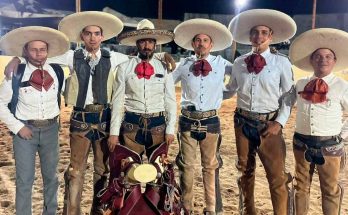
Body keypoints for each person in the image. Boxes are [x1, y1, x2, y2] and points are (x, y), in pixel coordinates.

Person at [3, 11, 176, 215]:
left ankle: (98, 211)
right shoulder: (71, 56)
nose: (92, 38)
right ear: (82, 36)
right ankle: (72, 212)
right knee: (76, 171)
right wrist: (17, 59)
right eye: (88, 34)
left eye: (96, 34)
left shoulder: (114, 57)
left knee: (102, 171)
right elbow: (40, 55)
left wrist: (160, 55)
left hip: (104, 119)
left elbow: (139, 58)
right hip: (80, 120)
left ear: (102, 37)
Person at [225, 9, 297, 214]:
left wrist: (279, 122)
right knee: (245, 173)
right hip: (242, 123)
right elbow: (231, 89)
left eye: (264, 32)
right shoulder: (239, 63)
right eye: (255, 32)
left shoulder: (281, 62)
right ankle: (248, 212)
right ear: (250, 36)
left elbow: (288, 96)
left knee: (276, 176)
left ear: (271, 36)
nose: (259, 36)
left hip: (269, 125)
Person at [104, 19, 178, 214]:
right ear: (137, 44)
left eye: (150, 42)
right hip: (131, 126)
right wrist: (113, 133)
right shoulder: (124, 68)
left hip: (158, 127)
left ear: (155, 44)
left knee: (159, 176)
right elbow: (117, 102)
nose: (147, 45)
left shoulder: (164, 69)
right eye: (143, 41)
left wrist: (170, 130)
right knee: (130, 175)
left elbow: (171, 101)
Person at [0, 26, 69, 215]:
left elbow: (74, 54)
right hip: (24, 131)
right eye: (33, 49)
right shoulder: (16, 73)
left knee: (51, 178)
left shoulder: (56, 71)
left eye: (42, 49)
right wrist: (18, 127)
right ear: (25, 51)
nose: (39, 54)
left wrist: (17, 58)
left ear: (48, 51)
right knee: (24, 180)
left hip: (51, 130)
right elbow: (0, 103)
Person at [172, 18, 233, 215]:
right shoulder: (184, 64)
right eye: (198, 40)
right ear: (193, 44)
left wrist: (222, 95)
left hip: (211, 120)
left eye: (205, 40)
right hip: (188, 120)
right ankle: (186, 208)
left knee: (210, 166)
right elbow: (167, 83)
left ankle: (211, 209)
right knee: (187, 166)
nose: (201, 43)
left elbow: (239, 79)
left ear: (211, 44)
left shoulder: (222, 64)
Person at [288, 28, 348, 215]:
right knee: (300, 187)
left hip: (330, 146)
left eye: (328, 57)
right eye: (318, 56)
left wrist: (342, 134)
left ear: (334, 61)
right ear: (311, 60)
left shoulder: (342, 86)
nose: (323, 60)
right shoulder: (300, 84)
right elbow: (285, 105)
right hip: (301, 143)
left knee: (330, 190)